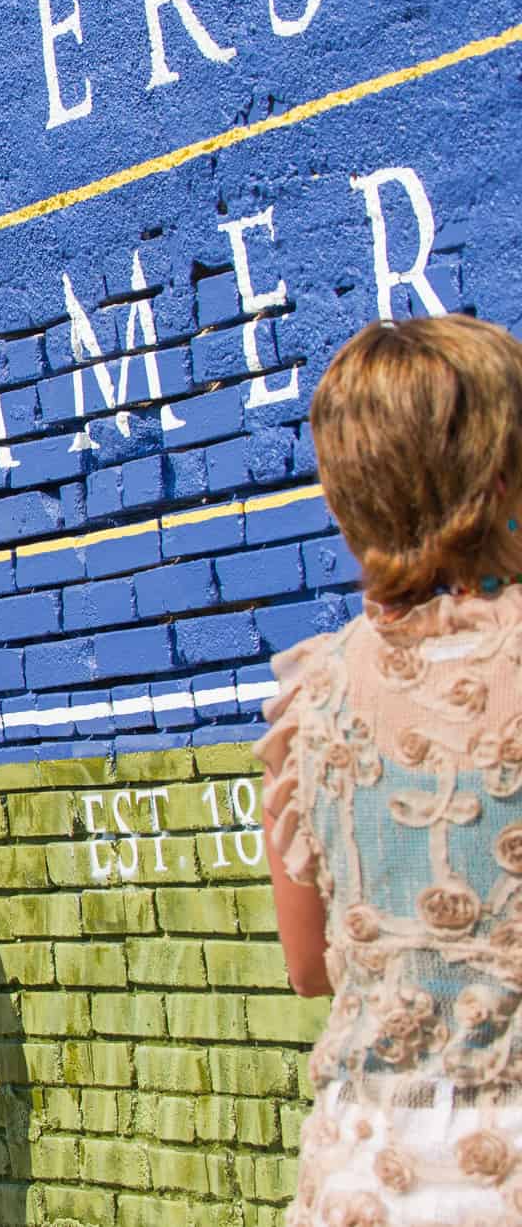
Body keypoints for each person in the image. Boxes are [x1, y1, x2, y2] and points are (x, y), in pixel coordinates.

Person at [259, 314, 522, 1226]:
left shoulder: (312, 694)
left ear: (346, 501)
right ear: (498, 478)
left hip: (367, 1177)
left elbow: (307, 965)